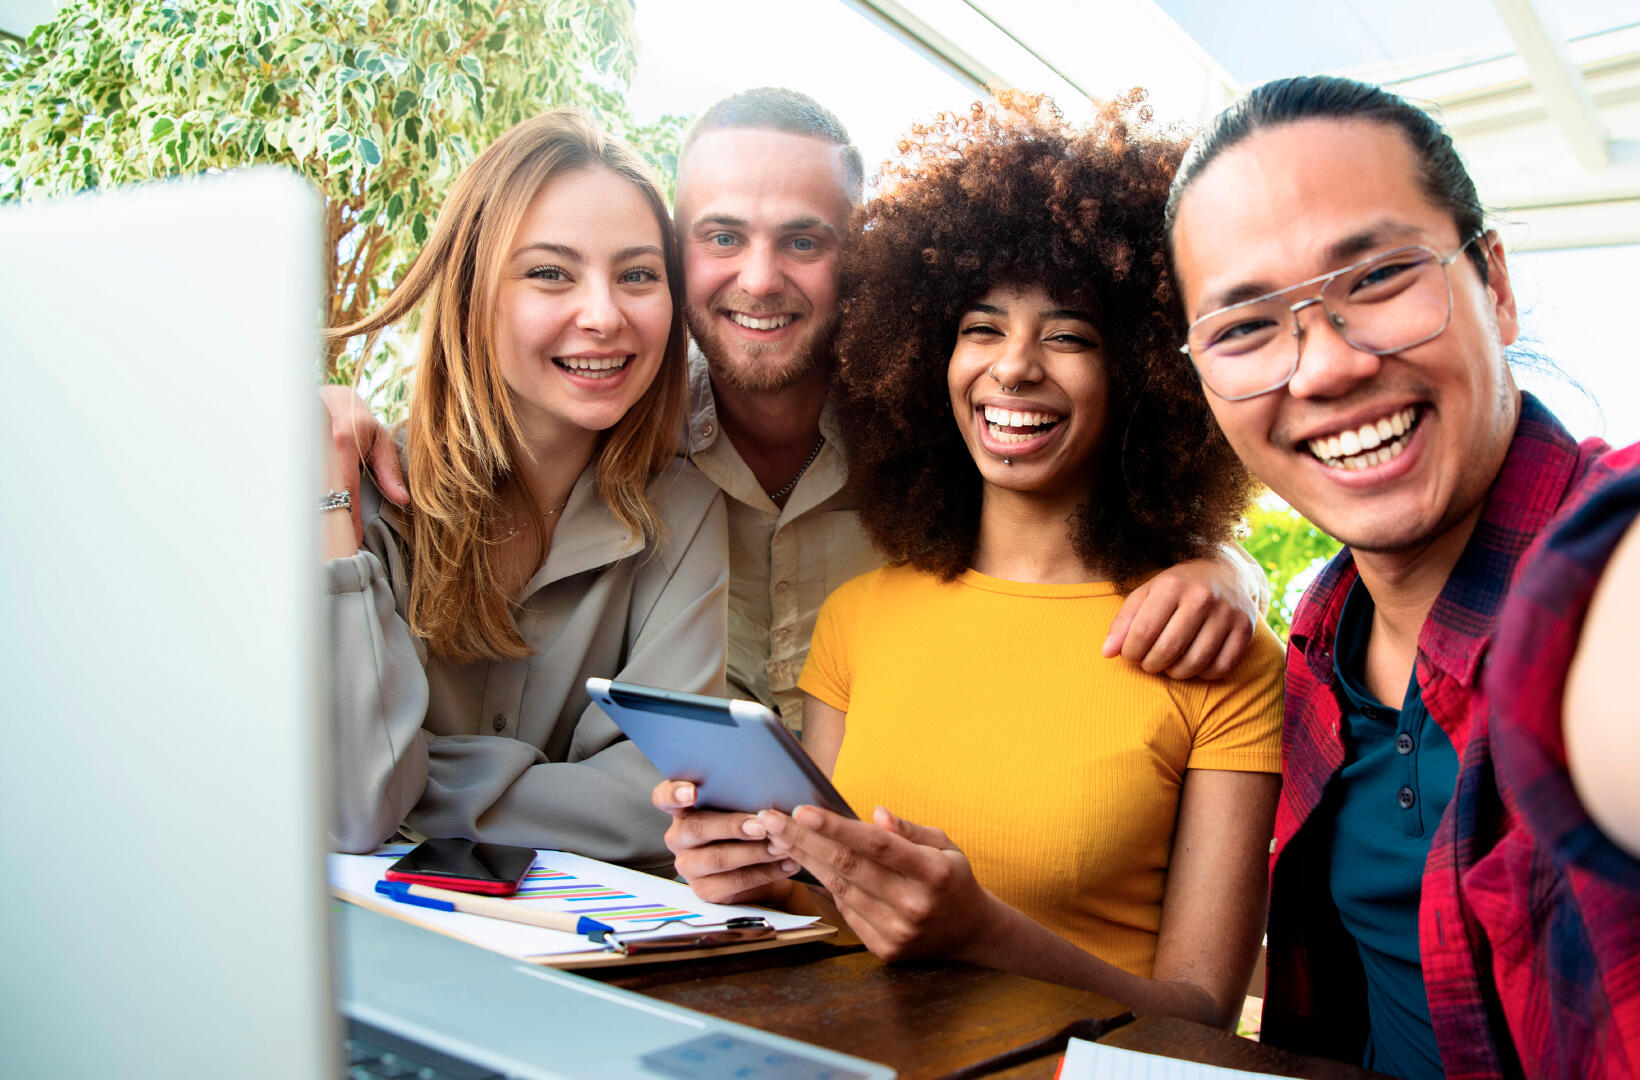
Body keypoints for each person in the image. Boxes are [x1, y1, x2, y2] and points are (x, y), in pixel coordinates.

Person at [1162, 70, 1640, 1077]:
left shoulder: (1618, 576)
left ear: (1498, 286)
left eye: (1380, 276)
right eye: (1248, 325)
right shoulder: (1319, 633)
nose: (1326, 366)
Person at [325, 87, 1274, 739]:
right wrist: (328, 419)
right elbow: (479, 404)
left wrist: (1225, 574)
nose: (760, 278)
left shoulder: (958, 427)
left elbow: (1126, 506)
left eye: (805, 241)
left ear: (868, 255)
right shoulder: (615, 430)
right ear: (675, 253)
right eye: (721, 237)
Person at [657, 93, 1285, 1029]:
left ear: (1148, 374)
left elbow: (1196, 1019)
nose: (1015, 368)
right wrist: (745, 875)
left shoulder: (1220, 657)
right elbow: (829, 916)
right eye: (981, 328)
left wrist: (981, 931)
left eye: (1069, 335)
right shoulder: (860, 615)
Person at [321, 109, 727, 869]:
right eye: (550, 273)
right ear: (474, 291)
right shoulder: (357, 496)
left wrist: (415, 777)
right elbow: (353, 804)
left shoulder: (686, 512)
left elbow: (658, 807)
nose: (604, 315)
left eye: (639, 275)